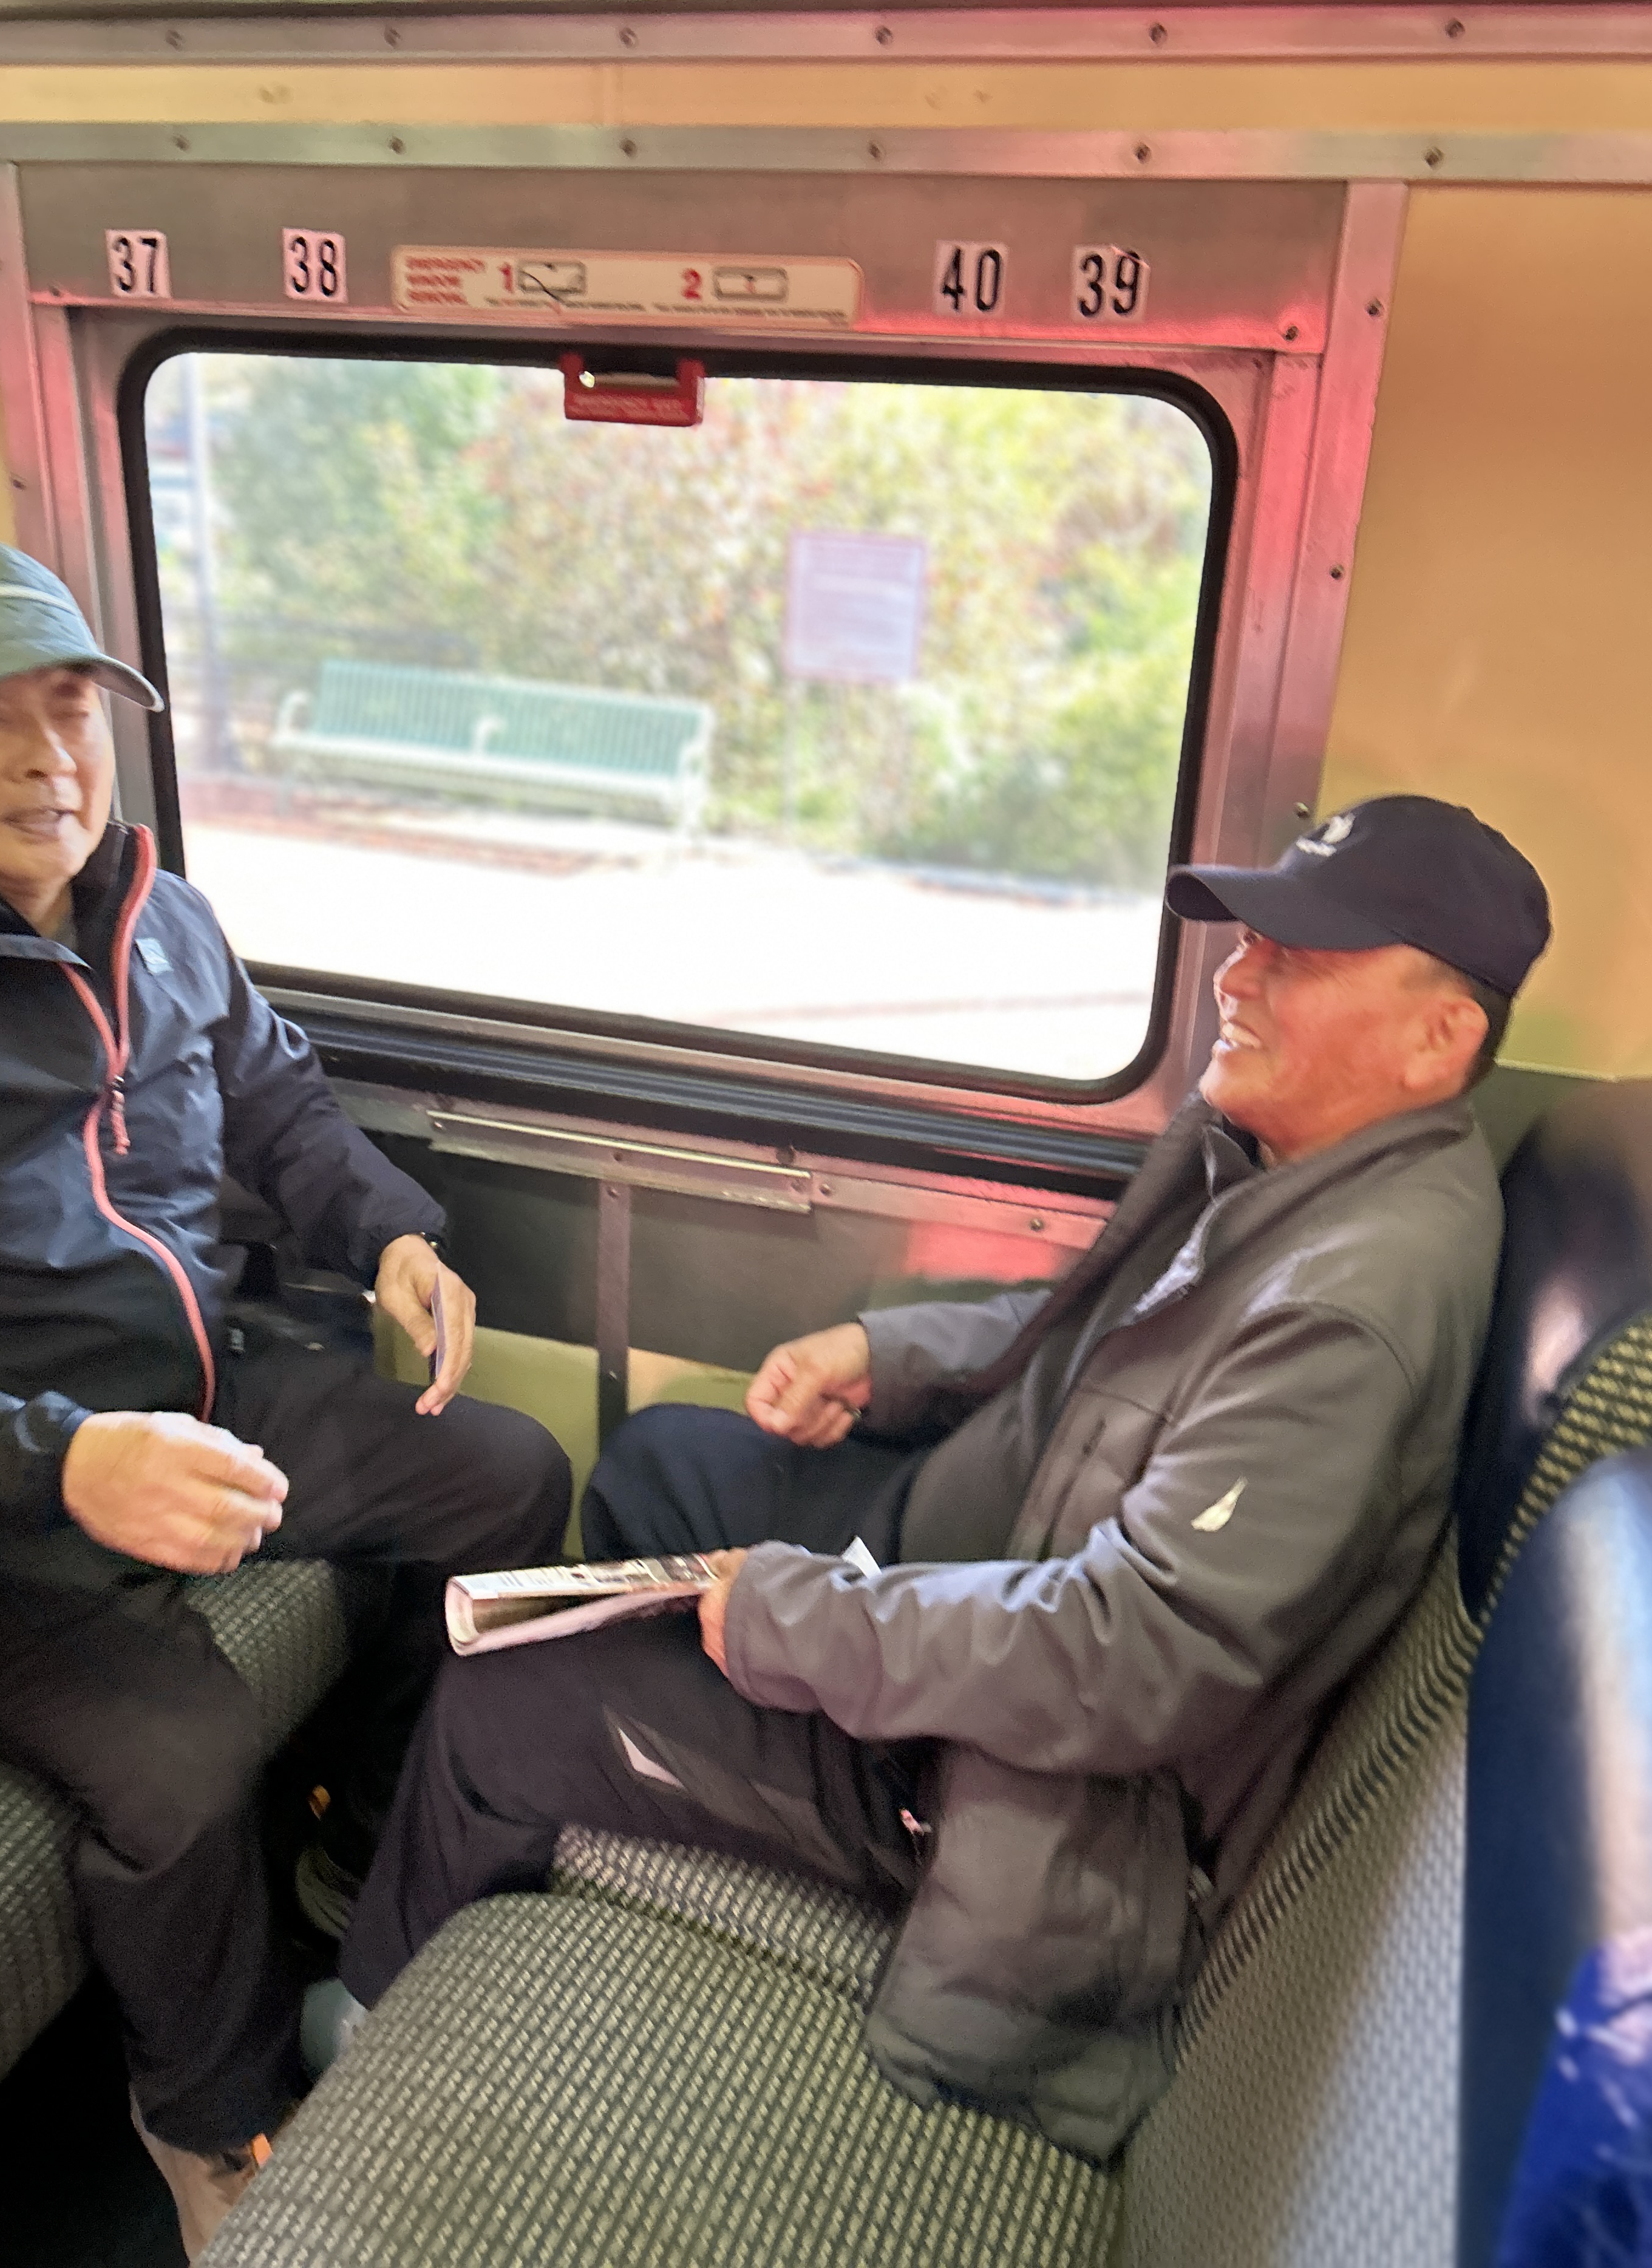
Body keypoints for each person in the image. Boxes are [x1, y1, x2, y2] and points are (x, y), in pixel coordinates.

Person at [334, 793, 1550, 2161]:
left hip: (1017, 1794)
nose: (1235, 976)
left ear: (1440, 1038)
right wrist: (889, 1356)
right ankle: (512, 1835)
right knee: (659, 1463)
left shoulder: (1348, 1313)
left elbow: (1135, 1654)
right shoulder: (1281, 1167)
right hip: (974, 1558)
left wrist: (800, 1621)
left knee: (499, 1702)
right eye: (1251, 940)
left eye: (1301, 959)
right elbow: (1093, 1336)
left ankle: (371, 2016)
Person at [0, 533, 571, 2257]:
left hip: (197, 1389)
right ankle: (208, 2121)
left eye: (73, 708)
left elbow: (279, 1098)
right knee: (178, 1760)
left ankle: (365, 1849)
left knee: (509, 1478)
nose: (52, 758)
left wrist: (391, 1234)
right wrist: (66, 1464)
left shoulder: (158, 917)